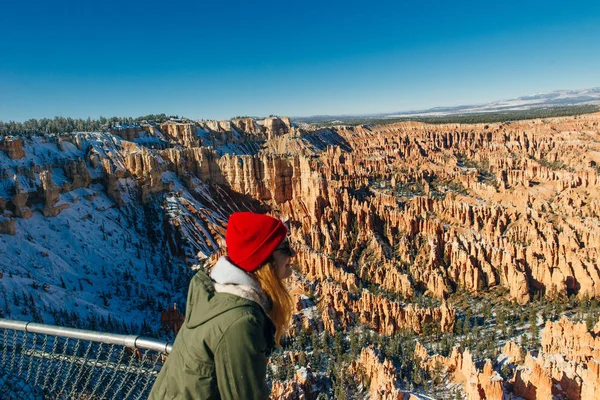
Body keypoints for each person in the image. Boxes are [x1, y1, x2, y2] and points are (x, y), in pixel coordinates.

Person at [149, 211, 296, 400]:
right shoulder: (241, 321)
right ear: (265, 260)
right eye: (285, 248)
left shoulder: (219, 296)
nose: (293, 253)